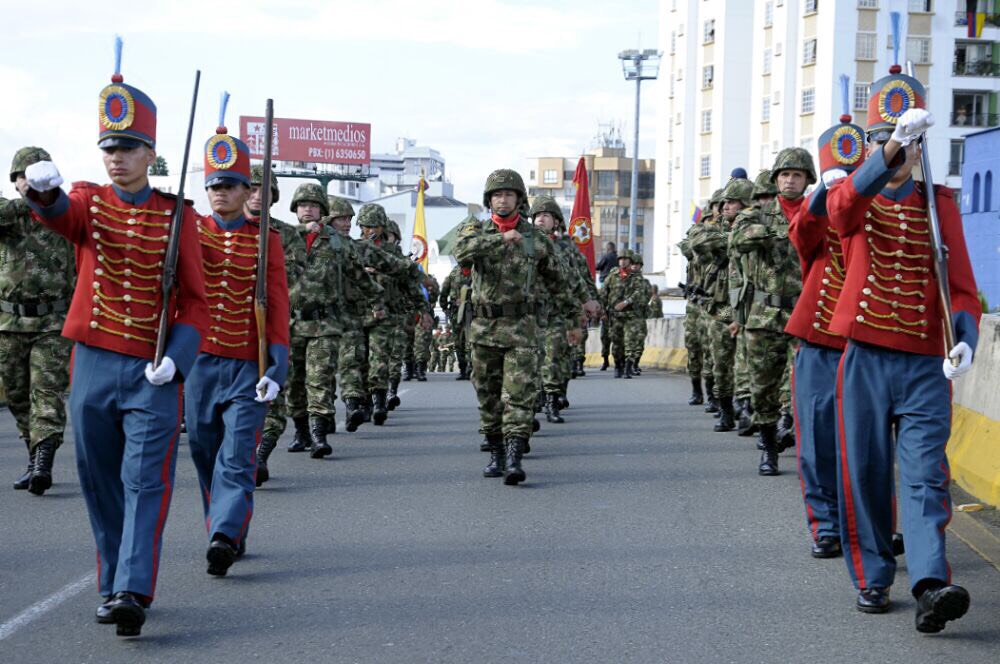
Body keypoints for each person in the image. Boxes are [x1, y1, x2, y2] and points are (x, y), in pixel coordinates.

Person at [22, 40, 209, 636]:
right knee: (101, 480)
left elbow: (197, 301)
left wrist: (177, 362)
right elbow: (61, 216)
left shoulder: (178, 215)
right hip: (95, 363)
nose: (116, 159)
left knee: (144, 478)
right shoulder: (86, 200)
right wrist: (44, 193)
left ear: (151, 152)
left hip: (152, 369)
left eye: (127, 148)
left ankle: (131, 587)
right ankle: (110, 582)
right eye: (109, 148)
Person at [826, 56, 981, 630]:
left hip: (923, 362)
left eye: (911, 143)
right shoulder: (854, 197)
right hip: (865, 355)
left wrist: (963, 337)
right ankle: (872, 576)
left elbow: (963, 289)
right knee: (866, 473)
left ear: (924, 147)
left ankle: (930, 585)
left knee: (924, 476)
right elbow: (839, 213)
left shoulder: (940, 205)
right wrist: (889, 149)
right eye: (888, 143)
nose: (902, 152)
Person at [185, 98, 289, 575]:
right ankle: (226, 520)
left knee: (237, 451)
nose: (220, 193)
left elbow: (277, 303)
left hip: (248, 362)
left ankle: (224, 533)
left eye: (229, 185)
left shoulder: (265, 238)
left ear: (249, 190)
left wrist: (277, 363)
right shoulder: (188, 232)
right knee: (206, 450)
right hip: (200, 361)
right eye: (214, 186)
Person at [454, 169, 599, 485]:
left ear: (519, 200)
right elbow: (461, 252)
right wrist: (499, 240)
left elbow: (561, 283)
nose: (502, 200)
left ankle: (515, 457)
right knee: (488, 395)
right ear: (489, 200)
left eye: (508, 194)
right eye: (497, 195)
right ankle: (496, 453)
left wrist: (579, 312)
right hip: (483, 328)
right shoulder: (476, 232)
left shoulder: (537, 241)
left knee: (519, 394)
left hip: (523, 329)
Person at [784, 78, 866, 559]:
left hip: (867, 340)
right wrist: (822, 194)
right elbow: (804, 233)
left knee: (867, 444)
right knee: (816, 442)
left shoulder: (878, 209)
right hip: (818, 341)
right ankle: (827, 525)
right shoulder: (814, 213)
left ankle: (871, 523)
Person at [0, 147, 75, 495]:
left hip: (53, 322)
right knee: (17, 395)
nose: (28, 182)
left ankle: (44, 459)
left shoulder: (66, 212)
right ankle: (33, 457)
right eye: (22, 177)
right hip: (9, 323)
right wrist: (28, 199)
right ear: (15, 182)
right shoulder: (9, 215)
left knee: (45, 391)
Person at [731, 150, 811, 470]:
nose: (790, 180)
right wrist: (780, 228)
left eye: (797, 175)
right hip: (765, 315)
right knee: (763, 384)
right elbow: (737, 239)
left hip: (805, 314)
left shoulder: (817, 212)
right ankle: (769, 447)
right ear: (776, 179)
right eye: (784, 175)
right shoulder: (757, 215)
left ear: (807, 179)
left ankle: (790, 427)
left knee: (804, 381)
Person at [253, 165, 305, 485]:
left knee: (273, 395)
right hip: (228, 329)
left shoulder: (286, 236)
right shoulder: (218, 230)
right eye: (252, 188)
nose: (258, 195)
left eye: (264, 190)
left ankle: (260, 455)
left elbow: (295, 279)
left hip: (273, 326)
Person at [691, 181, 746, 431]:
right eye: (723, 203)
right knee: (722, 361)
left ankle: (746, 407)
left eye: (732, 202)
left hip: (750, 308)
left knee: (748, 364)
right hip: (722, 309)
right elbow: (698, 243)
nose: (725, 207)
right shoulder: (714, 230)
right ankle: (725, 409)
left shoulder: (761, 228)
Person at [283, 183, 331, 452]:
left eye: (313, 205)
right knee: (294, 382)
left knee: (319, 378)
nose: (308, 209)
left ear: (322, 209)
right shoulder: (282, 236)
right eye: (303, 205)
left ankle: (318, 435)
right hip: (289, 322)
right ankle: (301, 432)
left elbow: (359, 273)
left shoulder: (335, 240)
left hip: (322, 323)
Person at [599, 250, 647, 379]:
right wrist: (602, 311)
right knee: (617, 343)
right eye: (621, 259)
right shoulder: (613, 276)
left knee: (630, 342)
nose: (623, 261)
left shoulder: (636, 277)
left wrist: (626, 302)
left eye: (626, 259)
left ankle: (628, 367)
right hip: (615, 316)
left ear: (630, 261)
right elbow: (604, 293)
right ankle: (618, 365)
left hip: (631, 316)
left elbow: (639, 293)